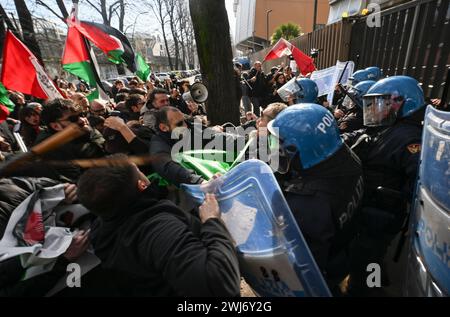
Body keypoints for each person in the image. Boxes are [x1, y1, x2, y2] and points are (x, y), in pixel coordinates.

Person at [77, 160, 240, 296]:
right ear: (141, 184)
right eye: (139, 170)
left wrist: (204, 189)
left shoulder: (102, 226)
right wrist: (212, 222)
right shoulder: (158, 230)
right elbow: (220, 285)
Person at [267, 103, 364, 292]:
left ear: (304, 148)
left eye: (280, 145)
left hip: (321, 276)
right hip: (344, 249)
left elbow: (300, 266)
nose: (276, 150)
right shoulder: (346, 158)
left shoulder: (306, 202)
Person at [346, 75, 425, 295]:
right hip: (368, 209)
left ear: (400, 103)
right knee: (365, 257)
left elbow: (418, 183)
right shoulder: (390, 127)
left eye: (380, 104)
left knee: (369, 259)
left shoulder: (411, 139)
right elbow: (364, 134)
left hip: (381, 214)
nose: (374, 110)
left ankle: (369, 290)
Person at [35, 98, 105, 181]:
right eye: (73, 119)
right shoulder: (51, 150)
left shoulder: (87, 130)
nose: (82, 120)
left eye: (82, 114)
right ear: (55, 126)